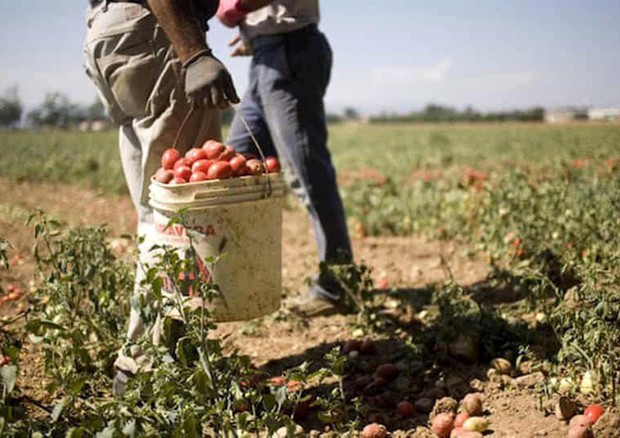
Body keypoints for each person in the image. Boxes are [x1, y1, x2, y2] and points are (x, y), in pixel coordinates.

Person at [83, 0, 239, 394]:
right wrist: (195, 53)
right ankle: (147, 369)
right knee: (181, 215)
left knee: (158, 212)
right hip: (157, 32)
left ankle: (160, 360)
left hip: (111, 34)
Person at [216, 0, 353, 316]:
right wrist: (254, 30)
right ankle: (239, 278)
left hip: (291, 51)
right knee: (235, 163)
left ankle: (337, 285)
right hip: (267, 54)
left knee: (308, 173)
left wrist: (234, 8)